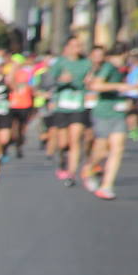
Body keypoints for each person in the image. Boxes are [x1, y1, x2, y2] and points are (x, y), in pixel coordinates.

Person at [42, 37, 91, 187]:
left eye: (79, 45)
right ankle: (62, 161)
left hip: (78, 106)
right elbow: (47, 82)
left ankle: (71, 174)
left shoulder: (87, 63)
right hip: (62, 106)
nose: (77, 48)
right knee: (63, 142)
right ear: (67, 47)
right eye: (73, 45)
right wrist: (61, 80)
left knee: (75, 140)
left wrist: (89, 83)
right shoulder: (60, 63)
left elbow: (91, 80)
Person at [81, 45, 126, 200]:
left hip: (118, 112)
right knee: (101, 150)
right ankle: (90, 168)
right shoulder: (108, 67)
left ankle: (107, 186)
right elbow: (97, 86)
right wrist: (122, 86)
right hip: (102, 112)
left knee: (117, 148)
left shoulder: (115, 69)